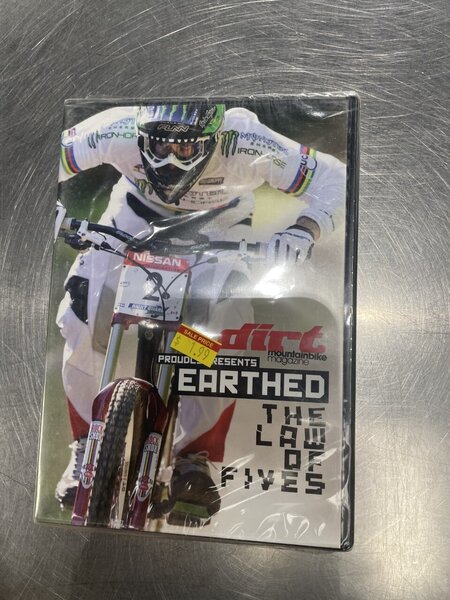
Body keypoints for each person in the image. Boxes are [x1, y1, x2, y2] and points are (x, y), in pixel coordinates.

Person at [55, 102, 346, 523]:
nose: (171, 161)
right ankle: (86, 448)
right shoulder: (117, 128)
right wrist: (48, 207)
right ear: (140, 135)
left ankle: (195, 460)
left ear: (214, 140)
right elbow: (37, 160)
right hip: (132, 222)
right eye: (159, 146)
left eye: (187, 149)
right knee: (81, 311)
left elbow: (335, 178)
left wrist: (304, 230)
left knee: (217, 336)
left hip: (217, 229)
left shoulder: (245, 141)